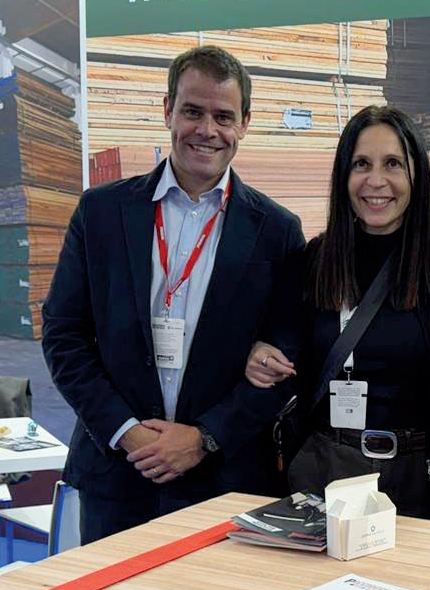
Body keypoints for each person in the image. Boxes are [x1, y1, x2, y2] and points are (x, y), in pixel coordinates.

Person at [42, 45, 305, 543]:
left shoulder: (277, 231)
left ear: (244, 124)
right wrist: (127, 432)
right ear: (168, 111)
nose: (207, 130)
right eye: (192, 112)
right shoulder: (100, 214)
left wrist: (204, 438)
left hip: (224, 481)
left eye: (223, 117)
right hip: (118, 474)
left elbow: (286, 361)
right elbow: (63, 336)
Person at [244, 106, 430, 518]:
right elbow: (285, 341)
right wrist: (263, 353)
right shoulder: (317, 257)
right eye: (361, 164)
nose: (376, 181)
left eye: (393, 163)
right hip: (326, 473)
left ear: (416, 173)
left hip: (420, 479)